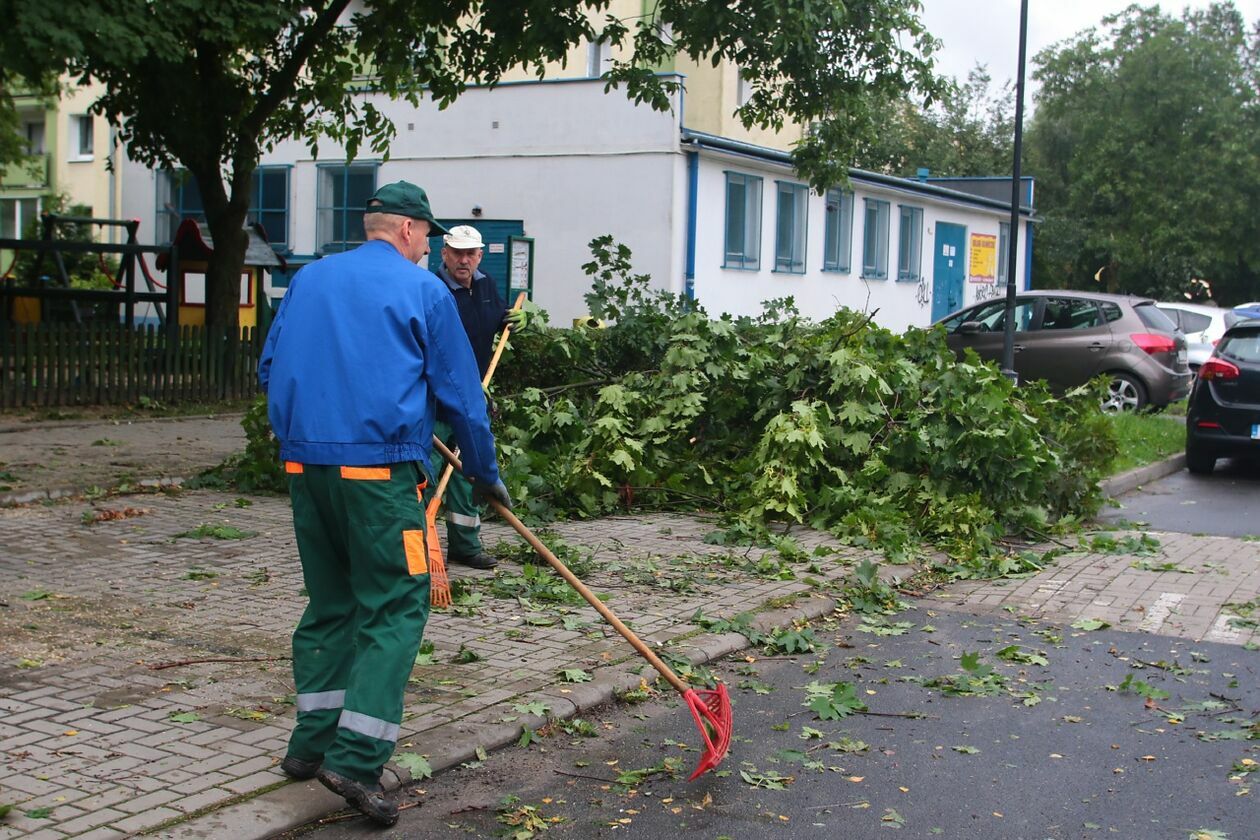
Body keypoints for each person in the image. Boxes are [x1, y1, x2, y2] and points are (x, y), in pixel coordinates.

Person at [258, 182, 510, 826]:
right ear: (405, 231)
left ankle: (308, 747)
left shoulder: (310, 280)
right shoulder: (421, 289)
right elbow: (461, 394)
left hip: (305, 471)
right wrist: (485, 473)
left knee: (331, 603)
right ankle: (358, 757)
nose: (429, 246)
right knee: (395, 608)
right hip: (379, 479)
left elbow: (269, 368)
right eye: (426, 234)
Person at [432, 224, 528, 570]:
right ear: (444, 253)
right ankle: (413, 548)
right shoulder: (432, 290)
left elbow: (499, 321)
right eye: (457, 252)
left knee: (466, 475)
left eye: (470, 254)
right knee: (425, 477)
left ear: (479, 256)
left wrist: (516, 320)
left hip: (472, 400)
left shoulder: (486, 286)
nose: (463, 260)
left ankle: (465, 547)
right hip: (435, 402)